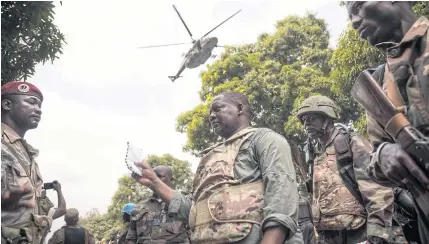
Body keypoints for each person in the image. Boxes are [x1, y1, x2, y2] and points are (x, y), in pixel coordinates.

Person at [131, 91, 304, 244]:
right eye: (210, 113)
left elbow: (282, 200)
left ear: (239, 108)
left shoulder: (265, 140)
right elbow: (194, 212)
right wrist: (154, 182)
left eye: (217, 109)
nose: (211, 116)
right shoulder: (209, 157)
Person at [346, 1, 429, 242]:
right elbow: (374, 157)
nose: (354, 22)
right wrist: (385, 153)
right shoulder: (380, 81)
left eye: (359, 6)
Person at [297, 95, 397, 244]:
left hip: (358, 233)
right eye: (304, 120)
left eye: (312, 118)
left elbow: (378, 191)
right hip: (328, 235)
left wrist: (376, 237)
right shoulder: (313, 152)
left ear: (328, 117)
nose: (307, 124)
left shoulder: (350, 143)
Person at [1, 81, 51, 244]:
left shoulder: (28, 155)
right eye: (31, 102)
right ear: (7, 104)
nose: (38, 109)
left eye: (40, 105)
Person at [126, 165, 190, 244]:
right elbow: (131, 238)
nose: (153, 179)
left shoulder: (184, 204)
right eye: (152, 176)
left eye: (159, 176)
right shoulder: (138, 207)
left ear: (171, 180)